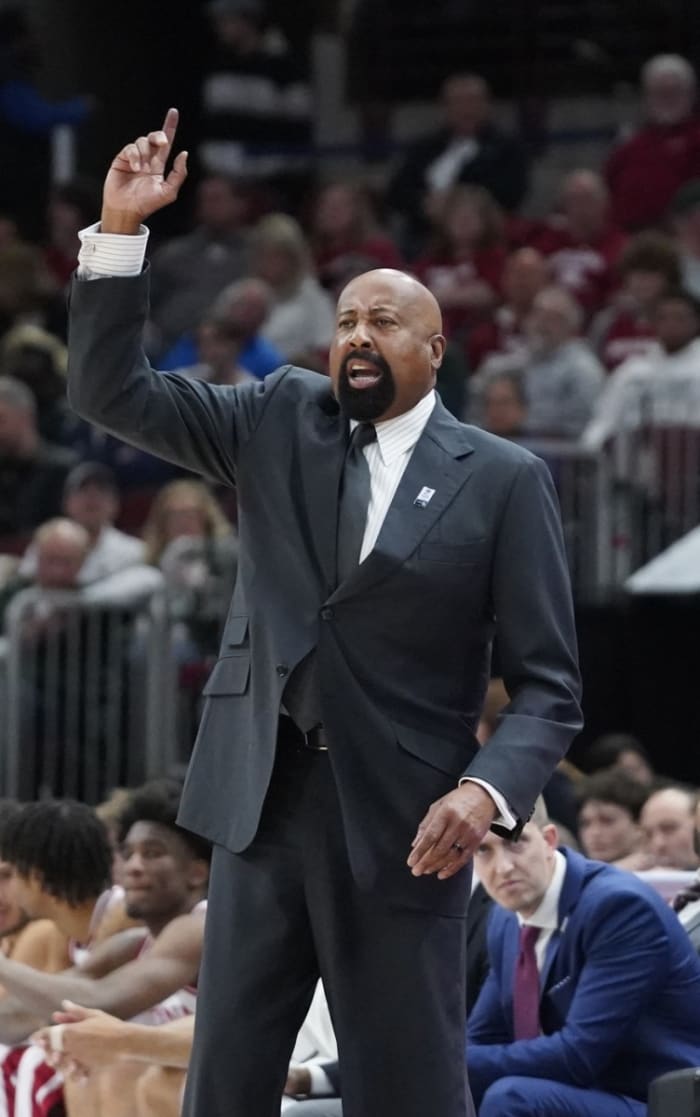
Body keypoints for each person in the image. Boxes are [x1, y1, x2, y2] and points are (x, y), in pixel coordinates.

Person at [65, 108, 581, 1117]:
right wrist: (119, 235)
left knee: (407, 1086)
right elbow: (110, 391)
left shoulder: (504, 480)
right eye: (343, 319)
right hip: (261, 795)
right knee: (228, 1078)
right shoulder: (276, 416)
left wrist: (484, 792)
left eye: (381, 320)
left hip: (405, 819)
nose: (354, 335)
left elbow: (550, 688)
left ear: (434, 348)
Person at [467, 797, 700, 1117]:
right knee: (446, 1088)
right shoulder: (506, 919)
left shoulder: (619, 908)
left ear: (549, 840)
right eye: (483, 850)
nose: (503, 867)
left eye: (515, 842)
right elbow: (483, 1037)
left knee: (510, 1098)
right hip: (586, 1091)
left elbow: (578, 1055)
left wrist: (441, 1062)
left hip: (658, 1101)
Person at [605, 53, 700, 232]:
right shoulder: (629, 146)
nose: (668, 99)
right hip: (633, 238)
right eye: (660, 93)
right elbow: (608, 185)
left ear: (691, 95)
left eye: (674, 92)